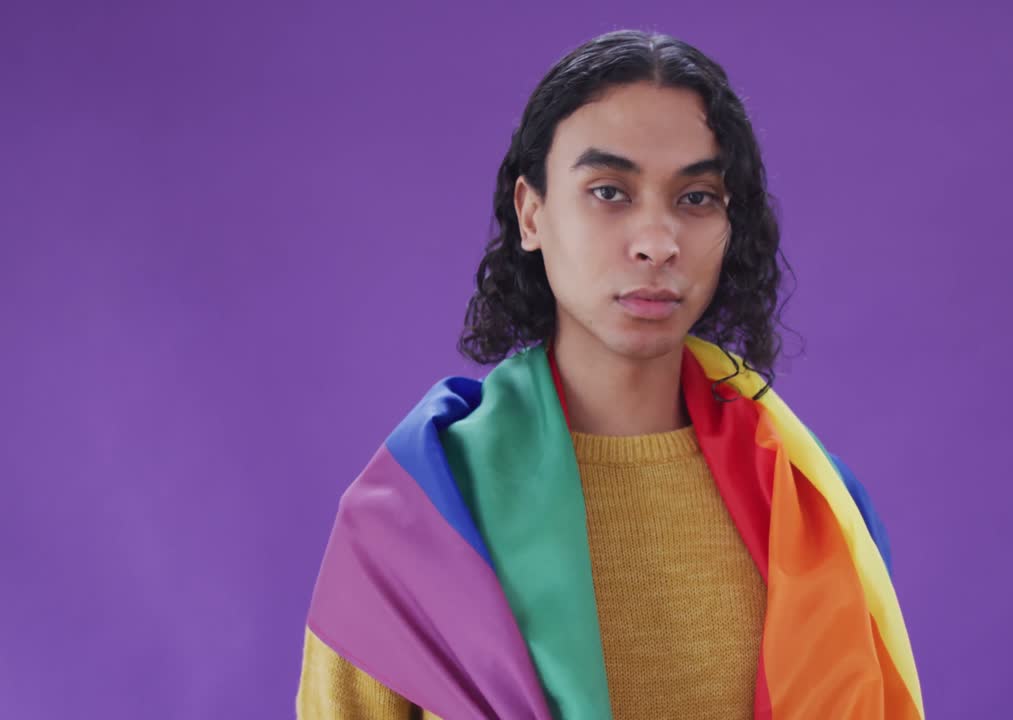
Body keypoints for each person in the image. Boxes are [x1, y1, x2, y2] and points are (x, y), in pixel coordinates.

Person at [296, 29, 923, 720]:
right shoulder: (414, 518)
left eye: (697, 198)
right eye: (608, 191)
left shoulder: (816, 510)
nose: (658, 242)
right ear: (531, 213)